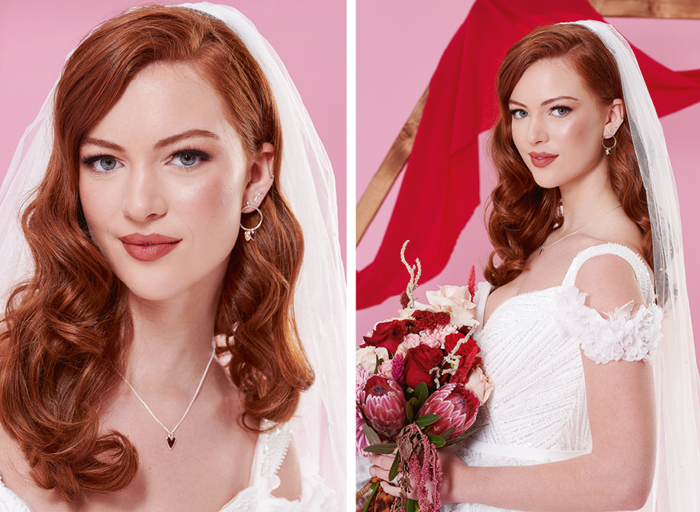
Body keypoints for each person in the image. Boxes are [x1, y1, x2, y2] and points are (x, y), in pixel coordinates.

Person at [0, 3, 345, 511]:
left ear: (255, 176)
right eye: (105, 161)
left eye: (185, 157)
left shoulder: (265, 437)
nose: (140, 205)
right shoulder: (11, 384)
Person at [370, 21, 700, 511]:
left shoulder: (604, 266)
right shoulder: (546, 242)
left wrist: (455, 483)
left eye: (559, 110)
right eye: (520, 112)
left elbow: (623, 481)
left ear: (612, 118)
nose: (534, 135)